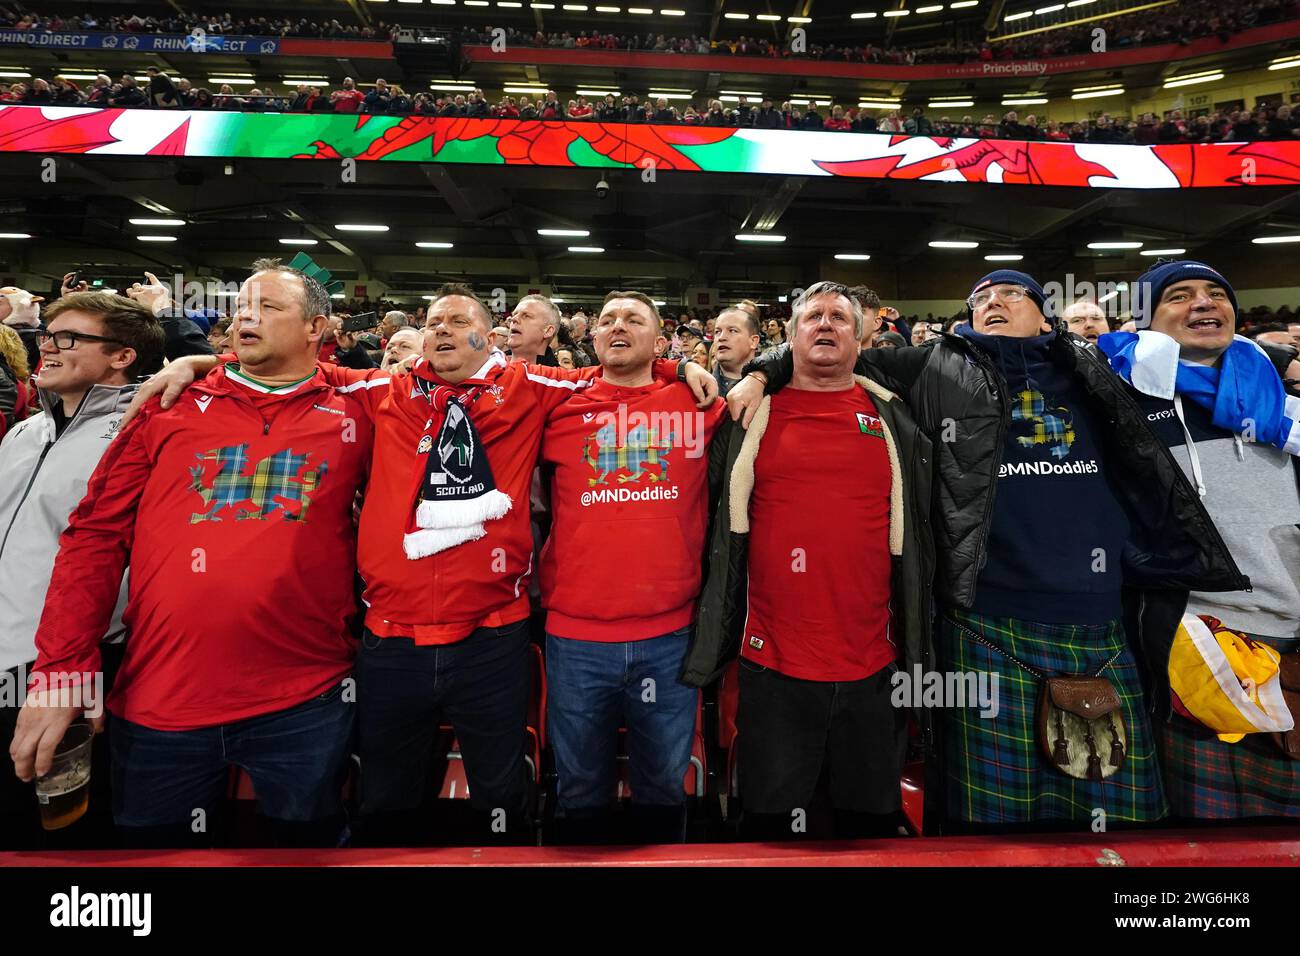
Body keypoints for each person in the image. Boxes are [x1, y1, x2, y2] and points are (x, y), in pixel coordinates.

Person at [731, 269, 1245, 830]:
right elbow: (825, 348)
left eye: (1009, 294)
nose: (992, 303)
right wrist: (759, 372)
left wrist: (1262, 363)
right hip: (985, 616)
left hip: (1102, 615)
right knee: (997, 823)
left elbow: (1209, 358)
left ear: (1046, 315)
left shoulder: (1099, 364)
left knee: (1117, 820)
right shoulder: (934, 364)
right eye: (979, 300)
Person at [10, 261, 372, 849]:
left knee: (305, 853)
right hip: (160, 700)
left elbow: (443, 380)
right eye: (241, 307)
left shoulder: (359, 407)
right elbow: (95, 538)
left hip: (306, 698)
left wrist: (201, 356)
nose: (246, 316)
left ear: (317, 328)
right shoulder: (166, 405)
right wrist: (63, 672)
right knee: (156, 864)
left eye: (269, 307)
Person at [682, 282, 934, 840]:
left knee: (869, 827)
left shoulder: (896, 414)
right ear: (789, 335)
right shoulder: (746, 414)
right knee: (772, 829)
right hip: (772, 663)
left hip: (875, 662)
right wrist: (741, 373)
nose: (825, 325)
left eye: (839, 318)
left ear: (862, 333)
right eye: (812, 317)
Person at [1098, 260, 1300, 820]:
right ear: (1148, 322)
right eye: (1179, 296)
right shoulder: (1121, 405)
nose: (1204, 304)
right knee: (1202, 839)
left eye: (1216, 293)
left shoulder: (1281, 405)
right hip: (1194, 644)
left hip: (1291, 640)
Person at [538, 291, 724, 844]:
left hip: (668, 634)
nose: (618, 326)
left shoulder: (700, 405)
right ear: (592, 338)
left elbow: (781, 373)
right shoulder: (558, 403)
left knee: (663, 785)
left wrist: (683, 368)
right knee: (578, 786)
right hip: (574, 637)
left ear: (660, 340)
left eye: (634, 319)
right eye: (607, 320)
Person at [0, 293, 165, 850]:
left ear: (122, 356)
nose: (47, 346)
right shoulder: (25, 432)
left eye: (69, 338)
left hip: (73, 663)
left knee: (63, 831)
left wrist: (194, 360)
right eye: (47, 334)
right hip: (4, 656)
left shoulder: (144, 432)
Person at [711, 305, 761, 397]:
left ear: (753, 341)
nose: (721, 337)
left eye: (732, 331)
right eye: (717, 331)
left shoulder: (775, 388)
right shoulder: (697, 389)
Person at [507, 294, 559, 366]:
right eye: (514, 315)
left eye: (526, 316)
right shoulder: (489, 366)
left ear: (548, 331)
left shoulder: (559, 376)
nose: (513, 319)